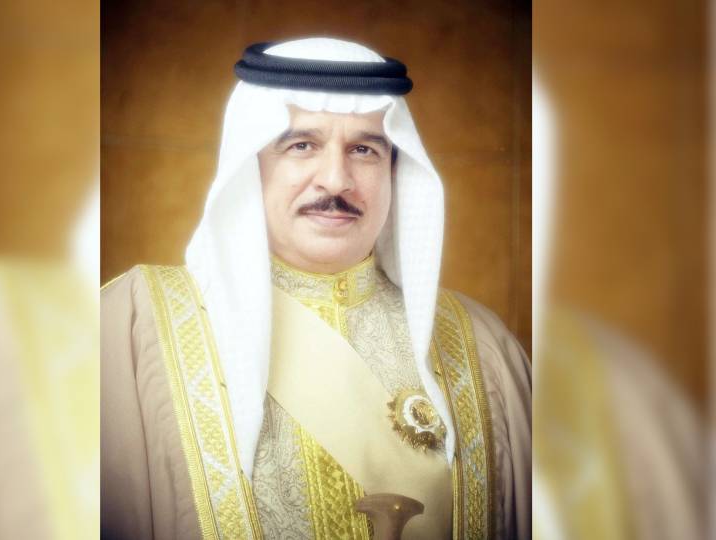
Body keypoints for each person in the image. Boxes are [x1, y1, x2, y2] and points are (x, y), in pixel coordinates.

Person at [101, 37, 531, 540]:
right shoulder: (129, 328)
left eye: (364, 150)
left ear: (394, 171)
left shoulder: (484, 348)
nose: (335, 181)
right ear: (250, 164)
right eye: (301, 145)